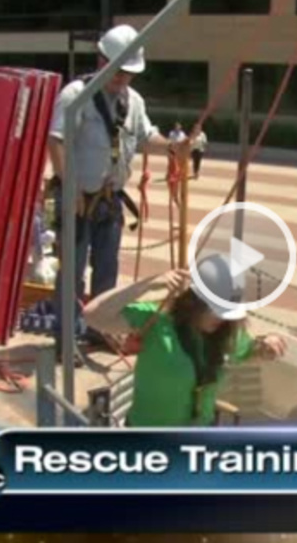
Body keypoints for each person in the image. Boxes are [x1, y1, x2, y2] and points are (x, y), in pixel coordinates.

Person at [47, 24, 187, 352]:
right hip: (79, 198)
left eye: (129, 74)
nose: (123, 79)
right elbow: (56, 141)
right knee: (72, 272)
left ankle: (100, 329)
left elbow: (145, 138)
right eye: (119, 71)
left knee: (107, 270)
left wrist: (173, 147)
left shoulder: (132, 101)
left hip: (109, 200)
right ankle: (66, 338)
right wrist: (70, 187)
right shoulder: (75, 96)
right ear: (102, 61)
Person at [84, 254, 287, 427]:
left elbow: (248, 351)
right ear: (195, 302)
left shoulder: (226, 331)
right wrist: (146, 285)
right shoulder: (156, 320)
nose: (222, 319)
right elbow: (93, 315)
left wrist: (266, 345)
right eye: (216, 310)